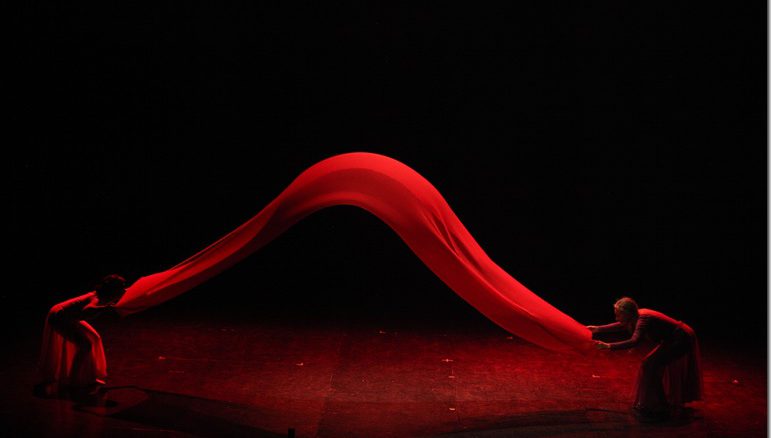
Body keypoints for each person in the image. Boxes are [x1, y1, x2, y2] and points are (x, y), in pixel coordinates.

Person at [588, 297, 702, 422]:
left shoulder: (643, 319)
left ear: (627, 314)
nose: (616, 318)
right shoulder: (636, 316)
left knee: (650, 365)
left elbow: (634, 341)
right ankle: (659, 404)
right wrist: (598, 329)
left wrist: (609, 346)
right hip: (674, 338)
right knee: (649, 366)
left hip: (681, 339)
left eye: (618, 315)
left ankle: (660, 406)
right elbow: (621, 325)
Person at [34, 274, 127, 402]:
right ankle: (73, 380)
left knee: (94, 337)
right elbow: (87, 310)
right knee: (85, 345)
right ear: (113, 289)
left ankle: (89, 374)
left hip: (68, 316)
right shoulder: (96, 298)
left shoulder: (102, 295)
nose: (123, 289)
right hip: (59, 316)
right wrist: (105, 308)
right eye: (121, 287)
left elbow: (126, 292)